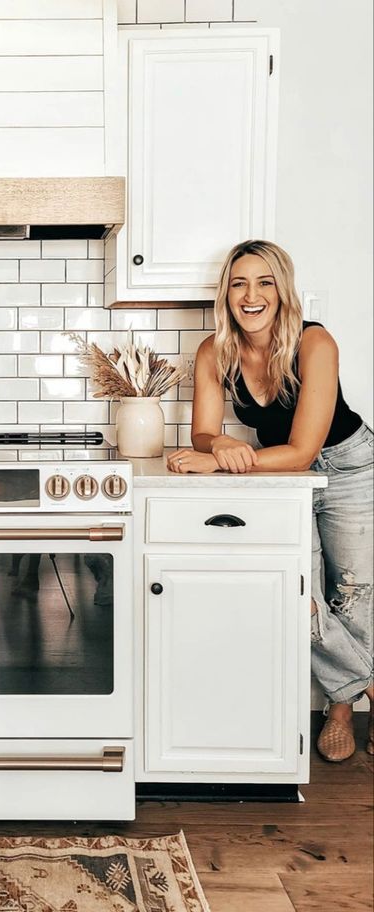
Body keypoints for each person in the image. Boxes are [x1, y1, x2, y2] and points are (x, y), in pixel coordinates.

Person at [166, 239, 373, 761]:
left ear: (282, 291)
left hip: (348, 465)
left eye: (264, 282)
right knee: (294, 593)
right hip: (276, 470)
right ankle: (368, 691)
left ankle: (339, 710)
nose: (250, 295)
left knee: (353, 593)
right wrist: (221, 444)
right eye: (239, 283)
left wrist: (219, 460)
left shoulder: (314, 344)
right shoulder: (215, 352)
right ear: (226, 292)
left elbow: (304, 451)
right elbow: (201, 434)